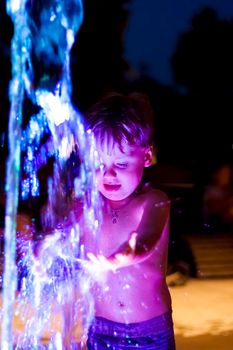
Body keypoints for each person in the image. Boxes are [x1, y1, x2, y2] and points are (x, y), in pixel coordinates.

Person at [83, 92, 176, 349]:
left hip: (149, 332)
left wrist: (127, 256)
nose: (108, 174)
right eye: (99, 164)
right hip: (99, 327)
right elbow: (63, 232)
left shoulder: (154, 201)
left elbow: (148, 239)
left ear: (146, 157)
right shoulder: (89, 205)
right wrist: (44, 247)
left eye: (121, 163)